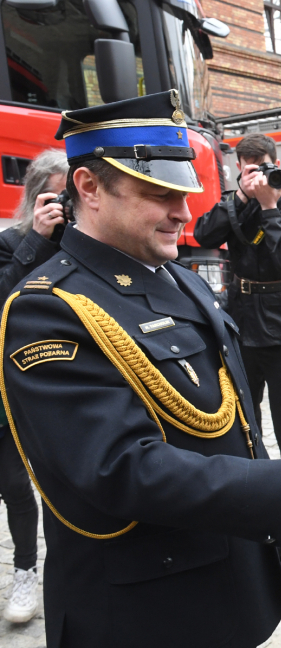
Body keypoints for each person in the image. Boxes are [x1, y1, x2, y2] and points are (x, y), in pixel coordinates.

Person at [0, 91, 281, 648]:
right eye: (159, 194)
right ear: (88, 187)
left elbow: (232, 425)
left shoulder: (176, 276)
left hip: (225, 579)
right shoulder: (45, 308)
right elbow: (119, 469)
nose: (183, 213)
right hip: (143, 611)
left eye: (184, 194)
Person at [193, 134, 281, 460]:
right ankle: (256, 485)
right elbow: (203, 233)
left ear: (276, 164)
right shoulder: (235, 206)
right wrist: (243, 198)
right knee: (246, 415)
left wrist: (270, 206)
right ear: (238, 170)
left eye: (263, 169)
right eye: (250, 171)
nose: (258, 177)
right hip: (241, 320)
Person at [0, 149, 68, 623]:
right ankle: (24, 569)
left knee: (45, 485)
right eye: (54, 198)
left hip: (57, 381)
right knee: (10, 483)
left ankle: (42, 571)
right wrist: (37, 239)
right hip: (7, 381)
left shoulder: (85, 242)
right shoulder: (11, 242)